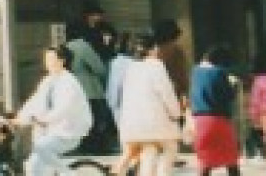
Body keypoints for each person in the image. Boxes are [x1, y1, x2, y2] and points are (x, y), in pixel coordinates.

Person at [13, 44, 94, 176]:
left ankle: (68, 173)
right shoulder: (47, 81)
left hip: (68, 132)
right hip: (50, 132)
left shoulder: (70, 82)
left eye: (51, 59)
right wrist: (19, 118)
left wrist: (44, 120)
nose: (48, 63)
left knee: (41, 147)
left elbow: (63, 108)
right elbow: (34, 102)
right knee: (32, 167)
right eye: (46, 59)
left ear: (62, 61)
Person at [111, 32, 182, 176]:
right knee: (170, 149)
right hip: (153, 123)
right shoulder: (156, 65)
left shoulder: (131, 67)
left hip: (131, 124)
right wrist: (176, 113)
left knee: (149, 152)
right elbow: (166, 93)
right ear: (154, 48)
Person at [188, 44, 242, 176]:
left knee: (206, 160)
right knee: (230, 158)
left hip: (199, 120)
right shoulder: (218, 72)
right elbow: (228, 96)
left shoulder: (195, 71)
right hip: (218, 119)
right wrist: (234, 85)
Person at [65, 18, 117, 154]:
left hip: (73, 91)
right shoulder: (82, 46)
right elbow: (99, 68)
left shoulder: (66, 46)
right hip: (90, 90)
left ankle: (82, 147)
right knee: (95, 122)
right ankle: (96, 148)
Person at [154, 19, 192, 107]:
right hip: (174, 95)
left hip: (157, 97)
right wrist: (185, 93)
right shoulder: (176, 51)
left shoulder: (153, 52)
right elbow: (181, 75)